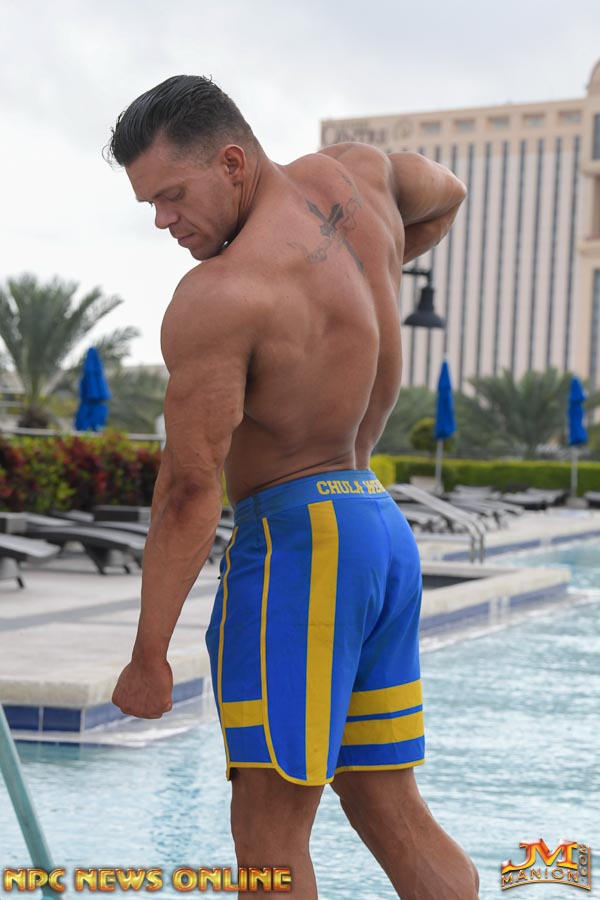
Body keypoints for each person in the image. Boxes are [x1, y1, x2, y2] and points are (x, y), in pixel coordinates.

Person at [109, 75, 477, 899]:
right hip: (376, 525)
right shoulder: (358, 182)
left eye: (172, 195)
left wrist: (148, 655)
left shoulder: (222, 295)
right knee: (387, 805)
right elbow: (447, 192)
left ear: (231, 162)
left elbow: (189, 490)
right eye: (149, 205)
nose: (163, 221)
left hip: (298, 551)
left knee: (268, 838)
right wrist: (378, 263)